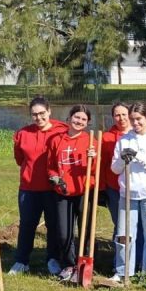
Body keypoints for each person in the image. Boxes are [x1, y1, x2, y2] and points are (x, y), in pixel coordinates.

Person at [9, 96, 68, 275]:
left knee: (53, 225)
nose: (39, 118)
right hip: (28, 188)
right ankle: (22, 261)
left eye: (42, 113)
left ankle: (52, 259)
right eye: (34, 115)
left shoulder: (62, 131)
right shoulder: (23, 134)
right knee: (27, 224)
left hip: (53, 189)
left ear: (49, 111)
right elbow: (20, 159)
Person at [110, 103, 146, 282]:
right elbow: (115, 169)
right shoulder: (124, 139)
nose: (135, 123)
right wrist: (122, 158)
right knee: (124, 234)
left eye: (139, 119)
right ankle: (123, 271)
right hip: (128, 194)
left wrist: (137, 156)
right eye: (132, 119)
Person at [45, 105, 97, 281]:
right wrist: (54, 177)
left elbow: (96, 170)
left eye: (83, 119)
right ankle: (69, 264)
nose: (79, 121)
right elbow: (51, 166)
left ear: (87, 122)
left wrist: (94, 157)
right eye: (76, 117)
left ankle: (85, 263)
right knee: (64, 232)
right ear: (69, 118)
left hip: (84, 191)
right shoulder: (56, 140)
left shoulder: (91, 142)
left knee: (86, 229)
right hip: (63, 192)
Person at [100, 102, 131, 238]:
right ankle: (120, 250)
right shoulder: (106, 138)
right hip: (115, 187)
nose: (121, 118)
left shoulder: (139, 134)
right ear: (113, 117)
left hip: (136, 186)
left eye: (124, 114)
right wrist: (102, 188)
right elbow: (102, 164)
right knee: (119, 221)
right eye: (117, 115)